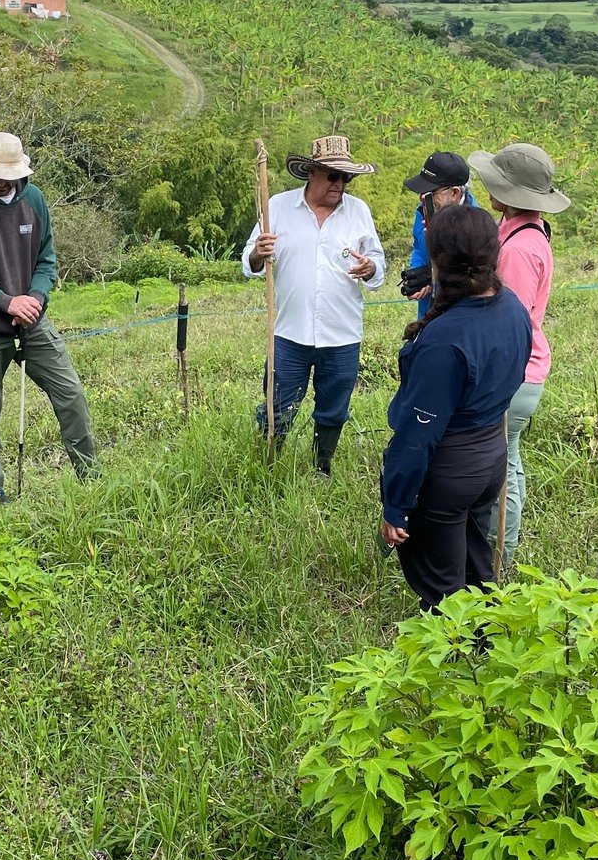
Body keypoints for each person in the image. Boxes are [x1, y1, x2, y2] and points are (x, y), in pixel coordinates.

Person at [379, 205, 531, 610]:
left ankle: (455, 648)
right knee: (476, 569)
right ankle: (490, 639)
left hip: (449, 469)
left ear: (438, 260)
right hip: (491, 456)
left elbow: (417, 435)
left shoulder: (444, 339)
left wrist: (396, 505)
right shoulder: (513, 308)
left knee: (441, 590)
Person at [0, 131, 96, 502]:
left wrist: (35, 299)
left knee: (70, 393)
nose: (3, 182)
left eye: (9, 176)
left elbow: (46, 259)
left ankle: (91, 476)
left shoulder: (34, 199)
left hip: (32, 321)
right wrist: (6, 302)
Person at [242, 134, 386, 475]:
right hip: (289, 332)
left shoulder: (358, 212)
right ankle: (269, 465)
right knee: (277, 405)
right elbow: (249, 262)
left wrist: (370, 268)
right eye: (333, 176)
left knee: (333, 409)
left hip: (341, 334)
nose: (340, 184)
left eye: (346, 178)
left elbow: (378, 265)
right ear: (312, 172)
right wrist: (258, 253)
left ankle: (322, 467)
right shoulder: (278, 206)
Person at [468, 143, 570, 571]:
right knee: (508, 460)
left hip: (513, 372)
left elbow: (508, 321)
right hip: (523, 369)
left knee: (501, 467)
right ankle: (499, 548)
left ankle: (498, 557)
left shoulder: (518, 249)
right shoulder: (519, 230)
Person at [402, 152, 477, 318]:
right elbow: (418, 247)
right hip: (428, 311)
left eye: (431, 193)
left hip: (460, 314)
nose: (423, 198)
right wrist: (420, 276)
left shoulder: (477, 227)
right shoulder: (424, 211)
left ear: (455, 192)